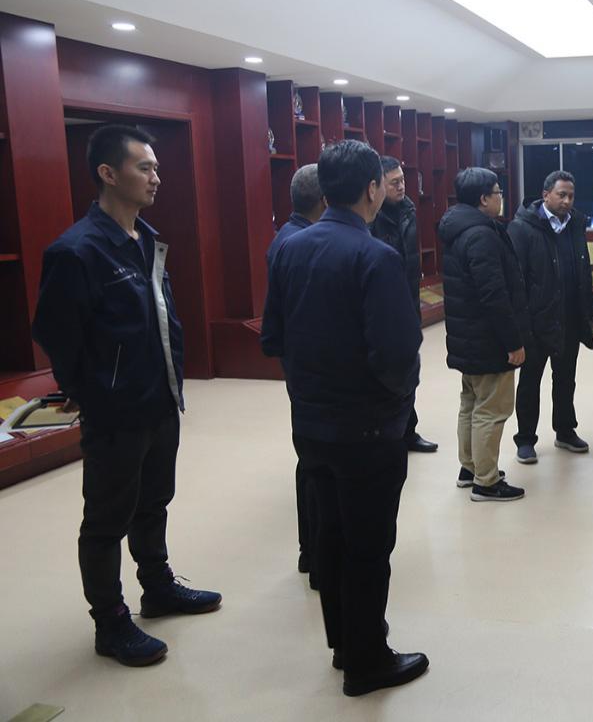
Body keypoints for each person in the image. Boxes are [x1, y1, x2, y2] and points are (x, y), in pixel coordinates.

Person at [32, 124, 221, 668]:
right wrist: (92, 392)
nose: (156, 177)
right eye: (145, 167)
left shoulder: (146, 240)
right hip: (116, 412)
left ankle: (157, 587)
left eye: (156, 167)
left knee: (153, 501)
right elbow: (56, 333)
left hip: (159, 399)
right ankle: (110, 621)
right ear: (108, 174)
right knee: (106, 520)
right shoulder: (77, 251)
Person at [261, 139, 427, 697]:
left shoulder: (288, 248)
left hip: (310, 423)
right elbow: (398, 354)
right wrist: (394, 404)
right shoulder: (375, 256)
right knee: (369, 545)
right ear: (372, 189)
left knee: (329, 536)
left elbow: (273, 338)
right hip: (367, 428)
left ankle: (343, 644)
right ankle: (367, 659)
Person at [437, 167, 530, 501]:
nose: (501, 197)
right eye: (497, 192)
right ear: (483, 198)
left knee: (471, 404)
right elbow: (493, 294)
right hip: (488, 340)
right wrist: (513, 342)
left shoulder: (458, 227)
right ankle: (486, 482)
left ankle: (471, 468)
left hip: (468, 337)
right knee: (491, 410)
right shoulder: (481, 234)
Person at [507, 170, 593, 464]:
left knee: (566, 379)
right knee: (530, 382)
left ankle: (565, 431)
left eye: (571, 196)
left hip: (569, 318)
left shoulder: (576, 224)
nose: (567, 201)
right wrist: (520, 325)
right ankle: (525, 439)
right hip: (537, 322)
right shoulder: (522, 228)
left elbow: (583, 270)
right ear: (545, 195)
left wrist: (588, 312)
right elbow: (515, 280)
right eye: (561, 195)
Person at [264, 163, 325, 585]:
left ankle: (313, 549)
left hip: (303, 364)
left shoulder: (289, 236)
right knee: (315, 462)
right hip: (310, 368)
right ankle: (314, 550)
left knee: (313, 460)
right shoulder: (299, 243)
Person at [371, 156, 438, 454]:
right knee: (386, 374)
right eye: (394, 182)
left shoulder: (408, 209)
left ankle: (408, 430)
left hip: (408, 300)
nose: (401, 187)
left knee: (410, 370)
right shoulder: (371, 217)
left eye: (403, 180)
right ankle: (389, 433)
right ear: (376, 186)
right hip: (383, 306)